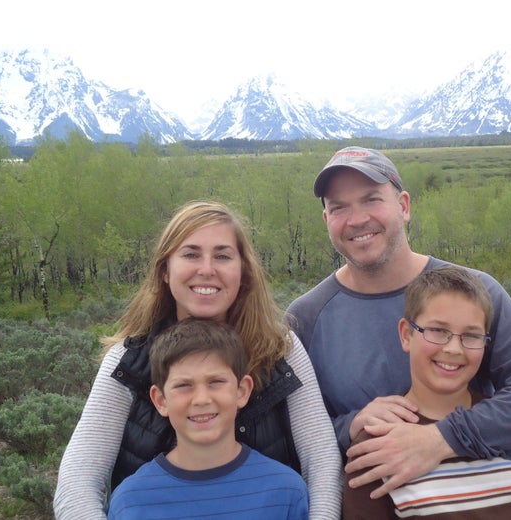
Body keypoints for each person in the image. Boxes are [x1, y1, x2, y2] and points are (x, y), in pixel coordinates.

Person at [286, 146, 511, 499]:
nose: (357, 219)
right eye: (339, 207)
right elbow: (289, 439)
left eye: (371, 199)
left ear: (403, 206)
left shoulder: (475, 293)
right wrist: (350, 426)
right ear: (327, 220)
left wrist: (439, 439)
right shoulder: (305, 319)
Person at [54, 201, 342, 520]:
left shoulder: (279, 349)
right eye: (191, 254)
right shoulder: (129, 359)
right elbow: (78, 480)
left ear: (243, 271)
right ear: (165, 270)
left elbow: (321, 463)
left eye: (222, 255)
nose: (207, 269)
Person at [342, 266, 511, 519]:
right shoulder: (376, 446)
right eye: (438, 331)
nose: (454, 348)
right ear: (406, 335)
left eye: (471, 335)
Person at [107, 317, 309, 519]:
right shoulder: (130, 501)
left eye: (216, 381)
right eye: (183, 385)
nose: (201, 399)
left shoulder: (285, 492)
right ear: (160, 400)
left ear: (242, 391)